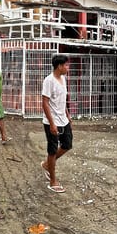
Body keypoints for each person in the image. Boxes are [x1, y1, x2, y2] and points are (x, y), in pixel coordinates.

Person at [40, 54, 72, 193]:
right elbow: (45, 103)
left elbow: (61, 99)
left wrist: (67, 113)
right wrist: (52, 124)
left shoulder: (63, 79)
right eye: (66, 65)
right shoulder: (49, 81)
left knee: (67, 144)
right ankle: (53, 181)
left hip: (63, 120)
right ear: (59, 66)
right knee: (52, 151)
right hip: (51, 121)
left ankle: (47, 165)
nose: (67, 68)